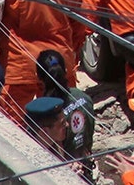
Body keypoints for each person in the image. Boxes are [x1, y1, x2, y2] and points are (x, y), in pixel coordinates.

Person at [36, 49, 96, 182]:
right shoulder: (84, 97)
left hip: (60, 175)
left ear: (39, 79)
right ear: (66, 72)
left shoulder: (44, 112)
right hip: (84, 167)